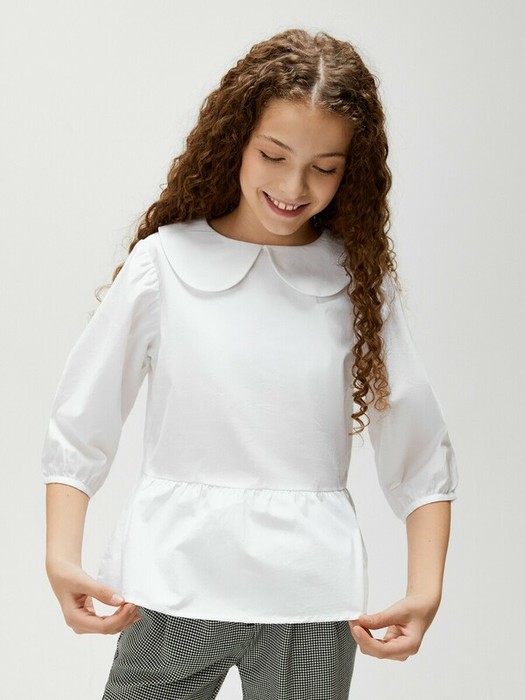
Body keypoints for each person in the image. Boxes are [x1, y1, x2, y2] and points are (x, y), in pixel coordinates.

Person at [42, 28, 459, 699]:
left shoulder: (356, 281)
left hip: (310, 600)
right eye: (273, 155)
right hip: (171, 586)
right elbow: (80, 421)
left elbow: (416, 442)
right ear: (236, 139)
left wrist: (425, 587)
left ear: (350, 170)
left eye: (325, 167)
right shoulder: (164, 263)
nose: (294, 186)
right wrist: (60, 556)